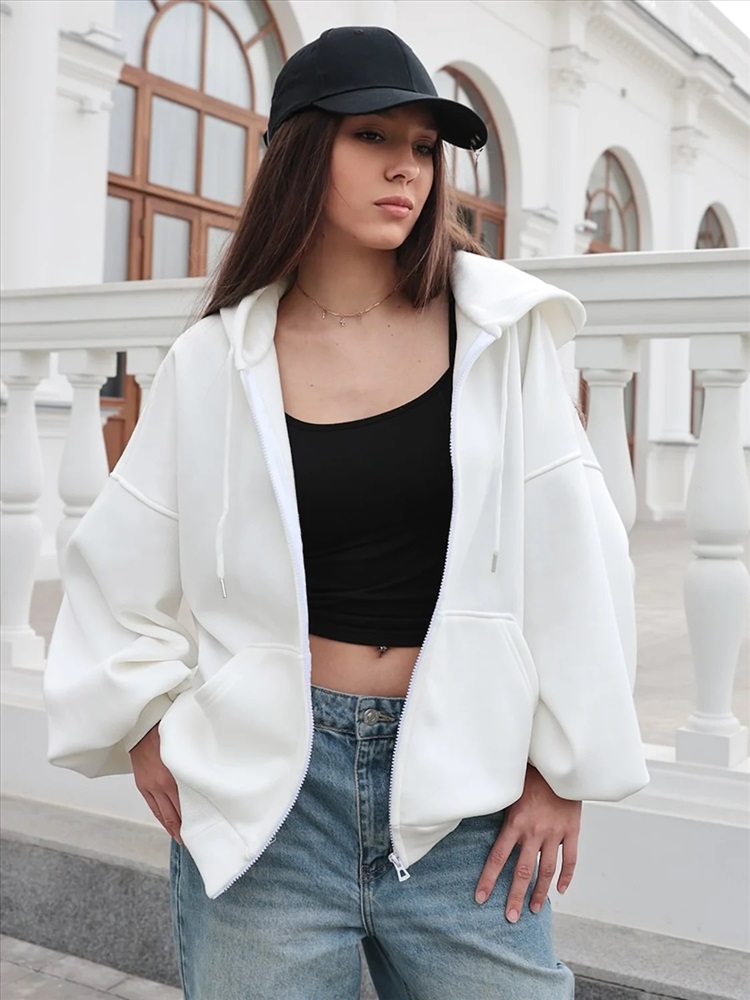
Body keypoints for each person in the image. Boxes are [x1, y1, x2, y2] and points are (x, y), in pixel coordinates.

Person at [44, 25, 649, 1000]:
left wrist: (559, 772)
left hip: (469, 799)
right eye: (373, 136)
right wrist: (145, 721)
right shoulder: (215, 362)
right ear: (300, 153)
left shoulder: (500, 337)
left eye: (423, 147)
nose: (406, 168)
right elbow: (116, 561)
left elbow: (580, 557)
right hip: (267, 802)